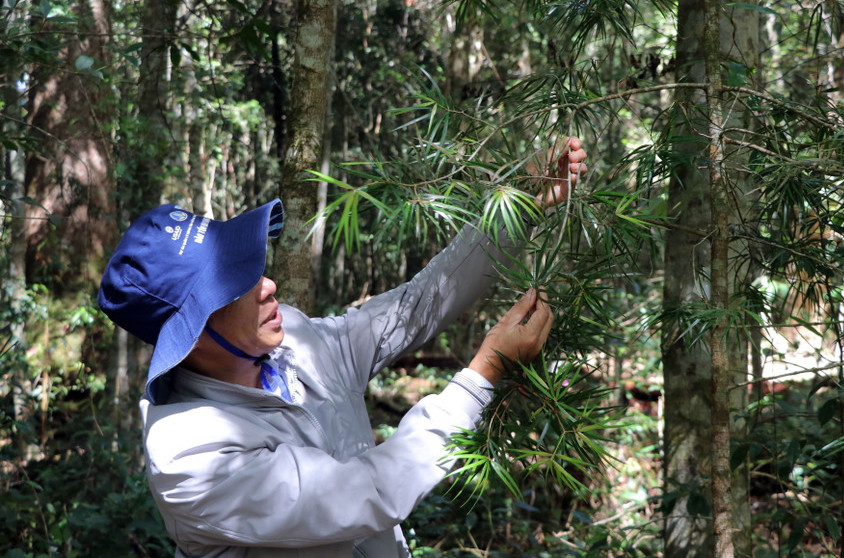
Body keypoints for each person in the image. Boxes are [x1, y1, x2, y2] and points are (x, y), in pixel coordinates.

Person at [98, 138, 587, 558]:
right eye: (235, 285)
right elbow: (369, 491)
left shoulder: (291, 338)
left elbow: (414, 308)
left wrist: (518, 205)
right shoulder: (190, 457)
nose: (267, 286)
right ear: (191, 333)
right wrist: (484, 374)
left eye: (252, 268)